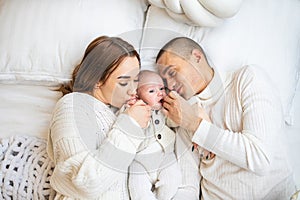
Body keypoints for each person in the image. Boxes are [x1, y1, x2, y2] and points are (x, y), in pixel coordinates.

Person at [155, 37, 297, 199]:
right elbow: (188, 186)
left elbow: (260, 159)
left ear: (197, 57)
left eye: (172, 73)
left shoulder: (247, 79)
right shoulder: (183, 115)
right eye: (165, 82)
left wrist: (196, 124)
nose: (171, 85)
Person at [47, 36, 152, 200]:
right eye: (124, 83)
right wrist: (130, 125)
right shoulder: (72, 106)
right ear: (97, 79)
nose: (133, 90)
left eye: (136, 81)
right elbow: (87, 184)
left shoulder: (119, 112)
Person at [127, 70, 181, 200]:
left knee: (172, 182)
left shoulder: (164, 111)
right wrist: (129, 108)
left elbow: (175, 122)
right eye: (151, 91)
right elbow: (124, 124)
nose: (160, 93)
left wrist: (175, 107)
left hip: (165, 156)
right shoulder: (133, 110)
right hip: (139, 161)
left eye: (162, 88)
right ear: (137, 96)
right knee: (138, 190)